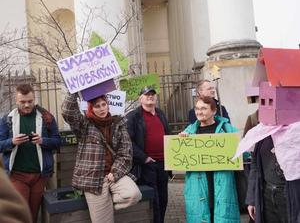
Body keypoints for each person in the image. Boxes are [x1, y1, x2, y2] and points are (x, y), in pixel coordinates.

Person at [62, 92, 142, 223]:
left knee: (134, 195)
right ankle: (104, 208)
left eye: (104, 104)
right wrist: (73, 92)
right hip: (93, 179)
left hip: (114, 175)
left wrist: (115, 172)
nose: (102, 108)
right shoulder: (84, 125)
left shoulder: (118, 124)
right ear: (91, 108)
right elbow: (68, 113)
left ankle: (108, 204)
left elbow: (125, 152)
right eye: (97, 106)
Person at [0, 83, 61, 223]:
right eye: (22, 102)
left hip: (40, 175)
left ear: (35, 99)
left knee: (33, 214)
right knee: (22, 214)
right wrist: (12, 142)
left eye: (30, 101)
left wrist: (42, 141)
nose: (27, 105)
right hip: (17, 174)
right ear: (16, 100)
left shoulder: (47, 117)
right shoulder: (7, 119)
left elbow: (57, 142)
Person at [179, 96, 240, 223]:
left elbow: (242, 154)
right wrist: (181, 142)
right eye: (197, 108)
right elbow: (181, 159)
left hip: (221, 182)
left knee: (221, 213)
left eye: (204, 108)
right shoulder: (188, 132)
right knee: (201, 214)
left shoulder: (228, 129)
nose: (199, 112)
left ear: (214, 111)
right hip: (198, 183)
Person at [126, 86, 170, 223]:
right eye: (146, 95)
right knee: (153, 200)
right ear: (140, 99)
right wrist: (144, 158)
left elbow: (167, 135)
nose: (150, 97)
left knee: (163, 198)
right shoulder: (133, 117)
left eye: (152, 94)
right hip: (147, 165)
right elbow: (128, 142)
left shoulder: (161, 114)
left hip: (163, 164)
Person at [245, 135, 288, 223]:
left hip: (288, 194)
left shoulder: (295, 130)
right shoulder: (263, 132)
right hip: (266, 195)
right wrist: (252, 199)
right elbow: (255, 165)